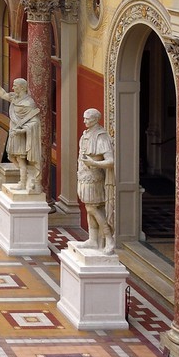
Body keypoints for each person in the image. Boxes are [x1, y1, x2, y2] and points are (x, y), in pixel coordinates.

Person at [73, 108, 117, 254]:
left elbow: (110, 161)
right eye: (84, 118)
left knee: (93, 208)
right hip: (84, 177)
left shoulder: (101, 137)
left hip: (94, 178)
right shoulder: (85, 134)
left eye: (87, 119)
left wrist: (94, 164)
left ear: (95, 119)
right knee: (88, 207)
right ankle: (93, 239)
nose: (84, 121)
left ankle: (109, 238)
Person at [0, 76, 43, 195]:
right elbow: (3, 95)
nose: (13, 87)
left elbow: (34, 122)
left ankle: (22, 182)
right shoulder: (15, 98)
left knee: (20, 159)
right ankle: (27, 176)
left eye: (15, 85)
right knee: (12, 157)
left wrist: (21, 131)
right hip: (13, 133)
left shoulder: (28, 103)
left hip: (20, 135)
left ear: (22, 87)